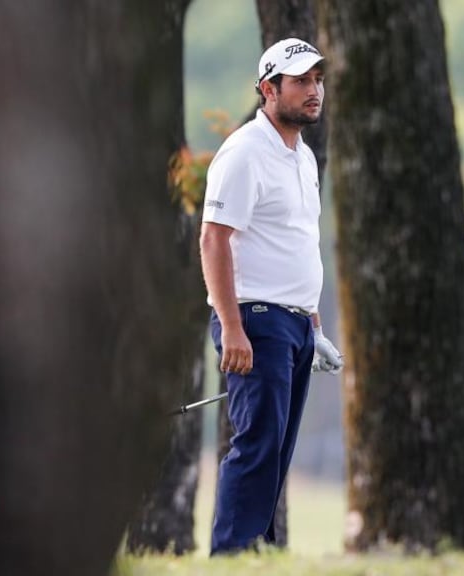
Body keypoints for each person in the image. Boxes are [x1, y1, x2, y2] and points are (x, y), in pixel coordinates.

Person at [199, 37, 344, 555]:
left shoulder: (302, 157)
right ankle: (231, 554)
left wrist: (315, 325)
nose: (314, 91)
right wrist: (231, 325)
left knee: (276, 449)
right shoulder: (244, 152)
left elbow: (293, 247)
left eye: (317, 80)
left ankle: (253, 553)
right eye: (301, 81)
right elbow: (213, 238)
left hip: (295, 325)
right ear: (268, 88)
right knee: (257, 445)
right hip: (254, 320)